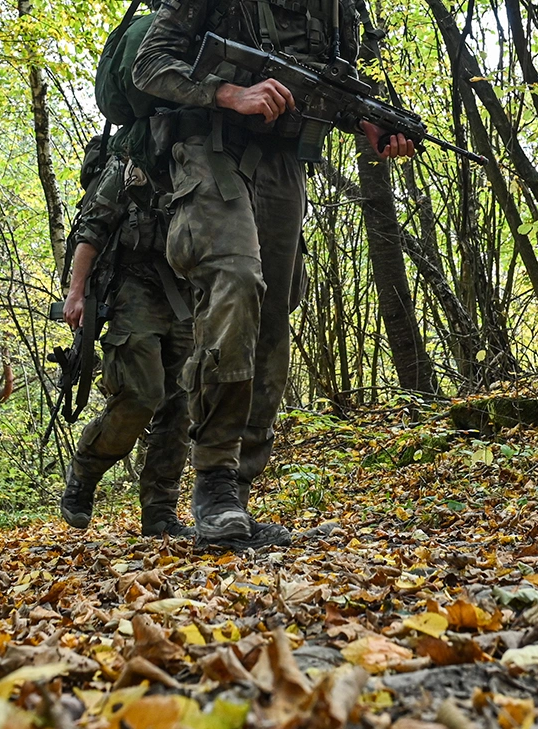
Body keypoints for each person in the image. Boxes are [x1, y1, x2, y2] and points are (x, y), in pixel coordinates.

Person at [130, 0, 414, 546]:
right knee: (237, 283)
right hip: (208, 149)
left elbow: (343, 88)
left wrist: (372, 125)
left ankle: (233, 495)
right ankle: (212, 478)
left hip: (283, 163)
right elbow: (149, 63)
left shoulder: (341, 10)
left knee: (272, 322)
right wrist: (226, 93)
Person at [59, 148, 197, 538]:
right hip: (134, 288)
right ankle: (85, 471)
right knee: (141, 395)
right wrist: (76, 292)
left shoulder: (199, 158)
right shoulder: (129, 162)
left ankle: (160, 512)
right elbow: (93, 229)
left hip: (187, 295)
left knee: (182, 405)